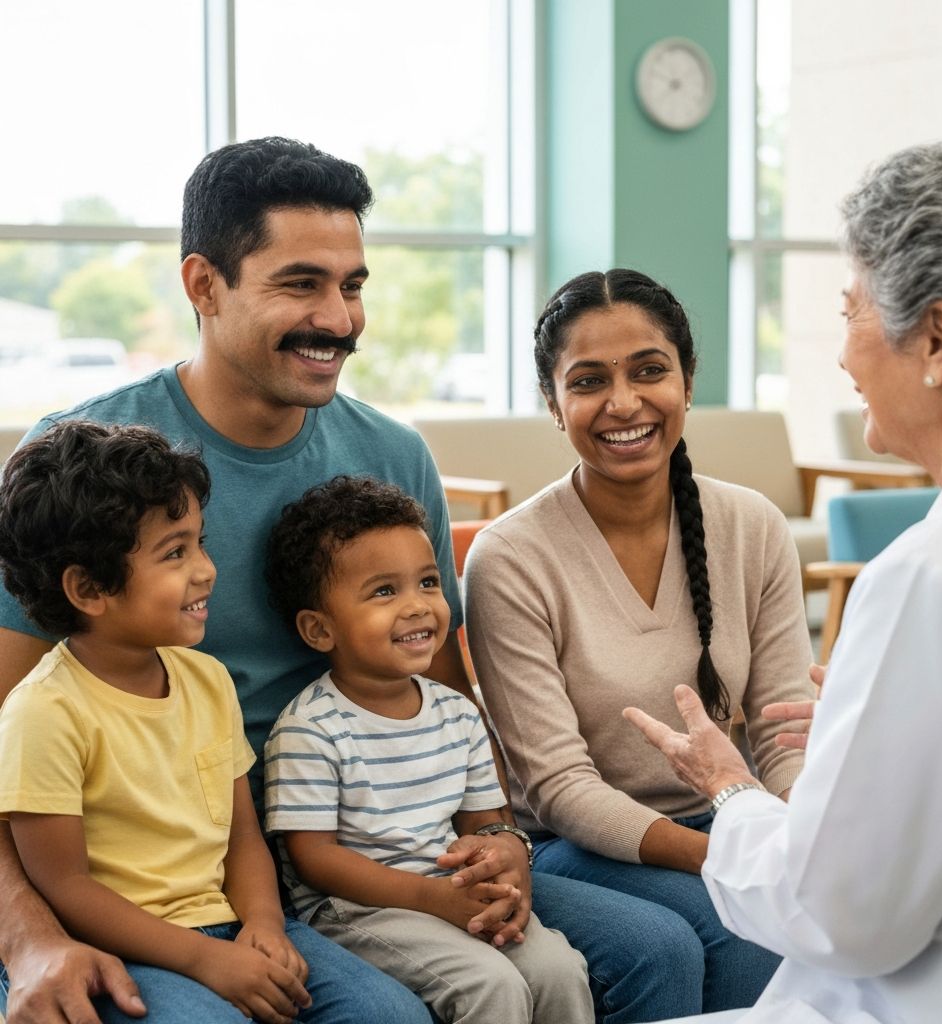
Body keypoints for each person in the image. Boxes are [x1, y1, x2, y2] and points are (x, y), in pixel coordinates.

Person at [0, 136, 700, 1024]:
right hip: (163, 876)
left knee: (659, 950)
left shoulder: (393, 456)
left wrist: (495, 840)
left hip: (371, 844)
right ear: (203, 286)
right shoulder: (92, 461)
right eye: (302, 284)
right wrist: (29, 940)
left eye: (354, 285)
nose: (339, 318)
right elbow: (9, 742)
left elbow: (443, 694)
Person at [623, 136, 942, 1023]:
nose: (843, 355)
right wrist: (880, 721)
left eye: (850, 311)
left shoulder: (938, 576)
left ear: (939, 338)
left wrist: (729, 791)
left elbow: (838, 915)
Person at [463, 268, 817, 1015]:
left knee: (803, 913)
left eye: (650, 371)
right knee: (715, 934)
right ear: (553, 406)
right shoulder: (510, 557)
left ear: (688, 382)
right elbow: (558, 788)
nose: (623, 403)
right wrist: (731, 855)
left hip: (731, 813)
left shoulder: (752, 526)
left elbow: (785, 735)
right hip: (581, 844)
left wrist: (788, 839)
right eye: (589, 381)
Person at [0, 421, 425, 1024]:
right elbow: (65, 887)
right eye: (175, 553)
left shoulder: (206, 679)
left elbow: (242, 837)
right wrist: (204, 959)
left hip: (233, 922)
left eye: (200, 543)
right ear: (89, 589)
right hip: (130, 946)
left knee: (390, 1014)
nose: (206, 570)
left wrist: (264, 922)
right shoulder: (44, 712)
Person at [262, 475, 593, 1024]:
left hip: (449, 891)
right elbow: (313, 858)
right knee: (491, 986)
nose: (418, 607)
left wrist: (497, 865)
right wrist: (430, 897)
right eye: (385, 591)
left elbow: (486, 822)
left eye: (428, 582)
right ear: (320, 630)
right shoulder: (309, 728)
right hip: (355, 909)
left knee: (560, 969)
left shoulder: (457, 713)